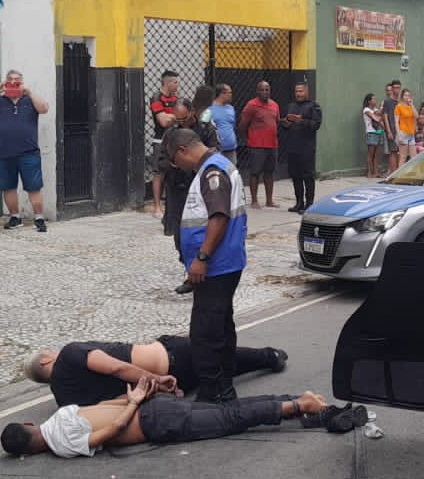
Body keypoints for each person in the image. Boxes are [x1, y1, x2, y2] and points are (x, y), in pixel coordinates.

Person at [0, 379, 366, 458]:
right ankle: (296, 399)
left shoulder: (62, 445)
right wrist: (135, 397)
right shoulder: (61, 415)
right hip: (154, 410)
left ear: (28, 452)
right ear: (30, 426)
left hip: (156, 424)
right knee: (227, 411)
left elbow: (113, 430)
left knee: (230, 419)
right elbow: (107, 407)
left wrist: (132, 403)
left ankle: (299, 405)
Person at [165, 127, 246, 403]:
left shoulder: (212, 172)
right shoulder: (217, 165)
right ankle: (224, 387)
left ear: (183, 150)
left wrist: (201, 258)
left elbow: (219, 216)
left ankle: (212, 392)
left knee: (205, 333)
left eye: (175, 159)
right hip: (223, 262)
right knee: (221, 326)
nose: (177, 166)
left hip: (217, 265)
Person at [23, 334, 287, 407]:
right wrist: (157, 379)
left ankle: (269, 358)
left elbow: (114, 402)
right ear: (45, 360)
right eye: (49, 351)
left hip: (165, 389)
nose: (54, 350)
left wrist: (157, 391)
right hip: (168, 360)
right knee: (224, 356)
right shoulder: (70, 354)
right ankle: (271, 356)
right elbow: (115, 367)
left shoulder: (64, 400)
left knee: (221, 369)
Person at [0, 70, 50, 232]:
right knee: (8, 187)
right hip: (4, 153)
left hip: (29, 152)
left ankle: (39, 219)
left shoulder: (30, 100)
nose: (13, 82)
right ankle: (15, 217)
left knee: (34, 187)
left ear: (22, 81)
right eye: (10, 79)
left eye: (17, 80)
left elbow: (44, 109)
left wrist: (29, 92)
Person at [160, 88, 221, 253]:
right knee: (180, 231)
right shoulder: (171, 133)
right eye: (177, 119)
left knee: (201, 226)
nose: (181, 123)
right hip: (177, 187)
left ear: (192, 112)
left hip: (200, 185)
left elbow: (214, 155)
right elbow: (160, 162)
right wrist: (171, 163)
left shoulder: (206, 130)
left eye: (184, 118)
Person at [280, 83, 323, 213]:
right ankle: (299, 203)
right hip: (293, 147)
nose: (298, 94)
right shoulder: (290, 106)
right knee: (295, 176)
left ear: (306, 92)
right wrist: (285, 124)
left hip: (306, 148)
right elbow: (285, 124)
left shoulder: (313, 106)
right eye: (297, 91)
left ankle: (309, 204)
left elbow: (316, 125)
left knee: (308, 176)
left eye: (301, 91)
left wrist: (301, 121)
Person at [237, 81, 280, 209]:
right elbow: (242, 125)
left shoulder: (275, 105)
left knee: (269, 173)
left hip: (272, 145)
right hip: (257, 145)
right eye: (262, 90)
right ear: (257, 91)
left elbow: (276, 121)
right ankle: (254, 201)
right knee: (255, 172)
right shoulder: (251, 105)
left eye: (267, 89)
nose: (265, 92)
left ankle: (269, 200)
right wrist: (248, 139)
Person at [149, 71, 180, 218]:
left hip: (175, 140)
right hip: (160, 141)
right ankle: (157, 207)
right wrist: (175, 117)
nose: (177, 85)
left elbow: (182, 115)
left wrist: (170, 117)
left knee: (173, 172)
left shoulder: (176, 98)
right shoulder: (156, 97)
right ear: (168, 83)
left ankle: (171, 205)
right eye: (175, 82)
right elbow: (163, 121)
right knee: (159, 173)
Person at [209, 83, 239, 159]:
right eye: (230, 92)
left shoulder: (231, 108)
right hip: (217, 150)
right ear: (222, 94)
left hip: (231, 149)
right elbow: (203, 126)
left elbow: (233, 126)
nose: (231, 95)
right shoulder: (209, 109)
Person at [362, 93, 385, 178]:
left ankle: (376, 172)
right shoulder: (366, 110)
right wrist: (379, 116)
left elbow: (380, 117)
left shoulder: (375, 109)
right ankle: (369, 172)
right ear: (369, 101)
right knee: (370, 153)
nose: (375, 100)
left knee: (377, 154)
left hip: (379, 132)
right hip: (371, 133)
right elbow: (375, 118)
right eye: (373, 99)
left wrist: (381, 108)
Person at [394, 88, 418, 168]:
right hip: (403, 133)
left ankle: (413, 174)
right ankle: (399, 174)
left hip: (411, 133)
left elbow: (416, 116)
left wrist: (412, 105)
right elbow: (396, 122)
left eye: (409, 95)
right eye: (405, 95)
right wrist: (399, 135)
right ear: (402, 96)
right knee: (403, 157)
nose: (407, 97)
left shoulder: (410, 106)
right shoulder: (399, 106)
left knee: (414, 157)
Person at [381, 81, 402, 168]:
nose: (397, 90)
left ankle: (399, 171)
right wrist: (388, 131)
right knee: (393, 151)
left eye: (399, 87)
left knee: (400, 151)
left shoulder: (401, 101)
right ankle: (393, 172)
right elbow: (385, 116)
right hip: (392, 130)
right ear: (392, 89)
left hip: (401, 130)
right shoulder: (387, 101)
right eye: (395, 87)